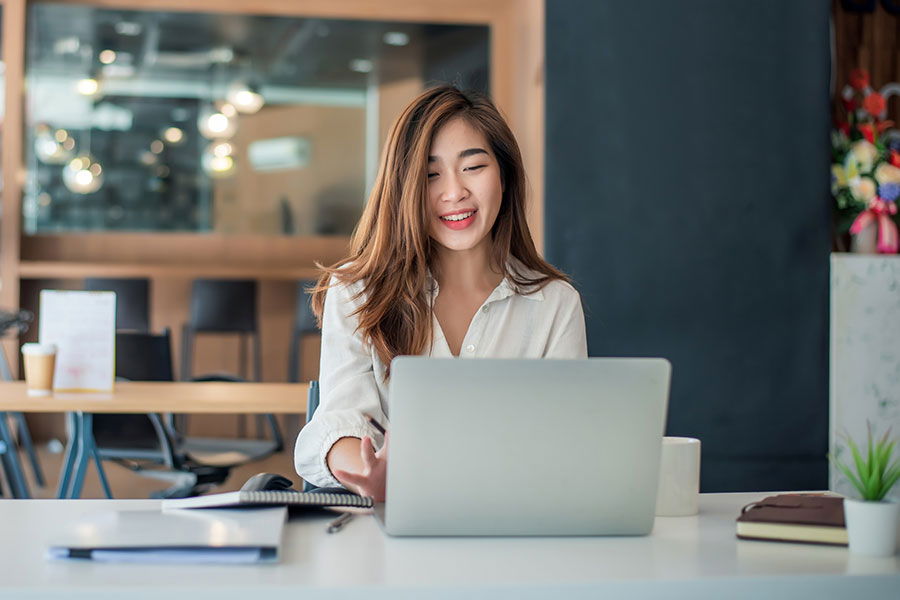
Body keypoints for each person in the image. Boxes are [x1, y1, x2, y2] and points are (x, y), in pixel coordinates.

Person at [294, 85, 587, 500]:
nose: (454, 192)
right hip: (391, 532)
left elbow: (568, 440)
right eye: (431, 175)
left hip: (515, 526)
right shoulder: (358, 292)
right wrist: (371, 472)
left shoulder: (555, 304)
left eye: (473, 167)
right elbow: (342, 421)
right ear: (404, 188)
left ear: (504, 174)